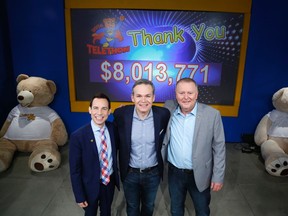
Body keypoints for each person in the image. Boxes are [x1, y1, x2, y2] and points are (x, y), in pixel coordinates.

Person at [163, 78, 226, 216]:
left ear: (196, 95)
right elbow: (146, 108)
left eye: (190, 93)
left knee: (202, 210)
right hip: (174, 173)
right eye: (181, 93)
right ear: (176, 94)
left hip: (200, 174)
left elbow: (219, 148)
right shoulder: (168, 108)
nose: (186, 97)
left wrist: (218, 177)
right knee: (176, 209)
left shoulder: (212, 115)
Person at [113, 79, 170, 216]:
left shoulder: (163, 114)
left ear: (154, 97)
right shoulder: (121, 114)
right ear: (132, 98)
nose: (143, 100)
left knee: (148, 206)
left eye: (147, 96)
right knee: (132, 207)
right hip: (130, 173)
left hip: (153, 173)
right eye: (139, 96)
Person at [69, 93, 119, 216]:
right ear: (89, 110)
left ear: (109, 111)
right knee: (90, 213)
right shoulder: (78, 136)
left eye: (104, 108)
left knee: (106, 212)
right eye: (95, 108)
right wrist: (79, 195)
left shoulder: (113, 129)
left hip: (108, 182)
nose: (99, 112)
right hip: (89, 185)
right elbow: (75, 170)